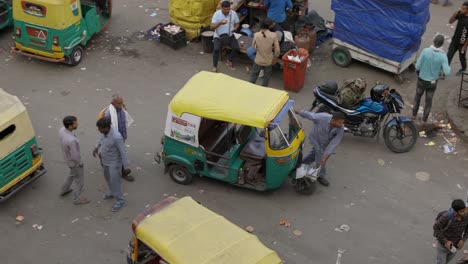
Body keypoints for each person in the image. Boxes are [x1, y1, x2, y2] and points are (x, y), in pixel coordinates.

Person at [294, 110, 345, 187]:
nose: (341, 125)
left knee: (315, 155)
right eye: (340, 123)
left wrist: (326, 158)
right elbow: (310, 115)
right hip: (314, 139)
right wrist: (297, 112)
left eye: (342, 123)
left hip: (324, 143)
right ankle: (321, 176)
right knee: (319, 156)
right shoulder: (322, 117)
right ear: (333, 120)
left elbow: (333, 144)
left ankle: (301, 164)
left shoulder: (340, 129)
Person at [412, 35, 451, 127]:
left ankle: (413, 115)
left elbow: (417, 66)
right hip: (432, 83)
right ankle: (424, 121)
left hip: (421, 81)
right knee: (428, 101)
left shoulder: (426, 51)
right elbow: (447, 72)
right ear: (442, 44)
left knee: (417, 97)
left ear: (433, 42)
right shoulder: (443, 56)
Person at [93, 117, 129, 212]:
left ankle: (120, 200)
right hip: (105, 161)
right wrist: (96, 148)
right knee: (107, 178)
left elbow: (123, 151)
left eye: (100, 128)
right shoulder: (104, 133)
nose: (98, 130)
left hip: (114, 163)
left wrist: (126, 165)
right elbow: (101, 141)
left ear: (106, 128)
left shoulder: (117, 137)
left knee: (115, 182)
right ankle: (112, 192)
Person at [98, 94, 134, 182]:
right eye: (119, 103)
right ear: (112, 103)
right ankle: (123, 171)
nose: (121, 105)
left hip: (122, 136)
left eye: (122, 103)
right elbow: (104, 130)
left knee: (119, 153)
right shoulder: (108, 114)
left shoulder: (120, 109)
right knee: (120, 153)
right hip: (114, 139)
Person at [59, 116, 90, 205]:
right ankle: (77, 198)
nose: (77, 124)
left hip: (68, 159)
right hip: (74, 163)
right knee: (79, 181)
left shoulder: (62, 130)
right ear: (69, 126)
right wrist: (80, 163)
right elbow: (75, 156)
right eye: (75, 123)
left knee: (72, 174)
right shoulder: (71, 140)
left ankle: (64, 189)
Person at [433, 199, 468, 264]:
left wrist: (463, 239)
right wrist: (445, 241)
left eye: (465, 210)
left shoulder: (466, 216)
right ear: (456, 212)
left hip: (454, 247)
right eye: (462, 211)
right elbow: (436, 228)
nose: (465, 212)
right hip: (443, 246)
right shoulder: (446, 217)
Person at [249, 18, 280, 87]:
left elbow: (253, 47)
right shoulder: (273, 35)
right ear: (269, 26)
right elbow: (277, 50)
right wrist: (275, 58)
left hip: (258, 59)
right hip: (268, 60)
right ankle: (264, 90)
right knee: (266, 78)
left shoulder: (256, 35)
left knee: (254, 75)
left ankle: (250, 88)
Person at [210, 0, 240, 72]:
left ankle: (229, 59)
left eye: (228, 9)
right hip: (219, 36)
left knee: (236, 48)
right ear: (221, 8)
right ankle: (214, 66)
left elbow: (237, 23)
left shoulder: (233, 13)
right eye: (225, 9)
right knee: (216, 49)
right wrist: (219, 23)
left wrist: (235, 28)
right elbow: (212, 27)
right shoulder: (217, 14)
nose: (227, 11)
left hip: (230, 35)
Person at [447, 2, 468, 76]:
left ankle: (463, 68)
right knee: (449, 56)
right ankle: (444, 71)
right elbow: (450, 21)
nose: (461, 10)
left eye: (463, 9)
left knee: (462, 57)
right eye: (461, 8)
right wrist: (456, 12)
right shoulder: (460, 14)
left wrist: (465, 47)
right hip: (454, 41)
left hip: (462, 43)